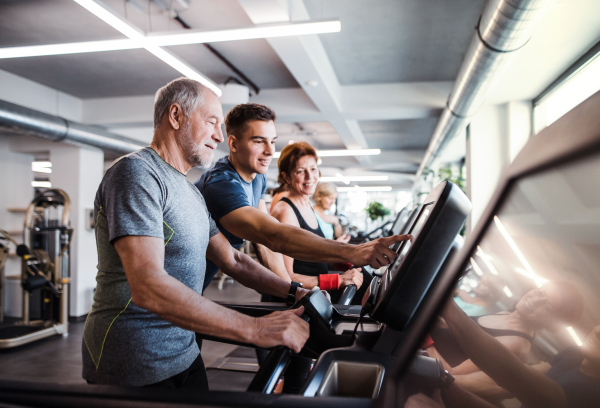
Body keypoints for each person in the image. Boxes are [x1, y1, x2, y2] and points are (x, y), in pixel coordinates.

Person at [82, 78, 310, 389]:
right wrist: (255, 330)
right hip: (134, 358)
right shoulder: (136, 174)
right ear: (175, 116)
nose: (219, 136)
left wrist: (294, 291)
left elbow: (232, 259)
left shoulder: (190, 191)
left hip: (185, 350)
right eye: (212, 122)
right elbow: (148, 285)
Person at [195, 104, 410, 292]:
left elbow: (264, 245)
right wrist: (351, 253)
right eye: (259, 141)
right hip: (174, 279)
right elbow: (273, 236)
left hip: (195, 282)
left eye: (272, 141)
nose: (270, 151)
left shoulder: (257, 178)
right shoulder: (223, 185)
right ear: (232, 144)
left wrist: (291, 292)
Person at [405, 302, 600, 408]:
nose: (598, 331)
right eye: (539, 292)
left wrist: (443, 299)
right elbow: (504, 385)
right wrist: (444, 383)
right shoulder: (574, 355)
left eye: (548, 305)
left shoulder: (592, 394)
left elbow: (514, 376)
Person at [425, 282, 584, 376]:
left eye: (547, 305)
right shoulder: (505, 314)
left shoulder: (515, 344)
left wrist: (427, 342)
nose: (535, 300)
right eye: (540, 292)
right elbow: (455, 334)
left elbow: (451, 375)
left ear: (551, 324)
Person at [270, 142, 364, 294]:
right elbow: (285, 277)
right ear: (286, 177)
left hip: (315, 294)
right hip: (295, 302)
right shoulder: (286, 212)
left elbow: (309, 256)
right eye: (301, 171)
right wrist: (337, 280)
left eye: (313, 169)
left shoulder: (306, 205)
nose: (310, 176)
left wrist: (346, 262)